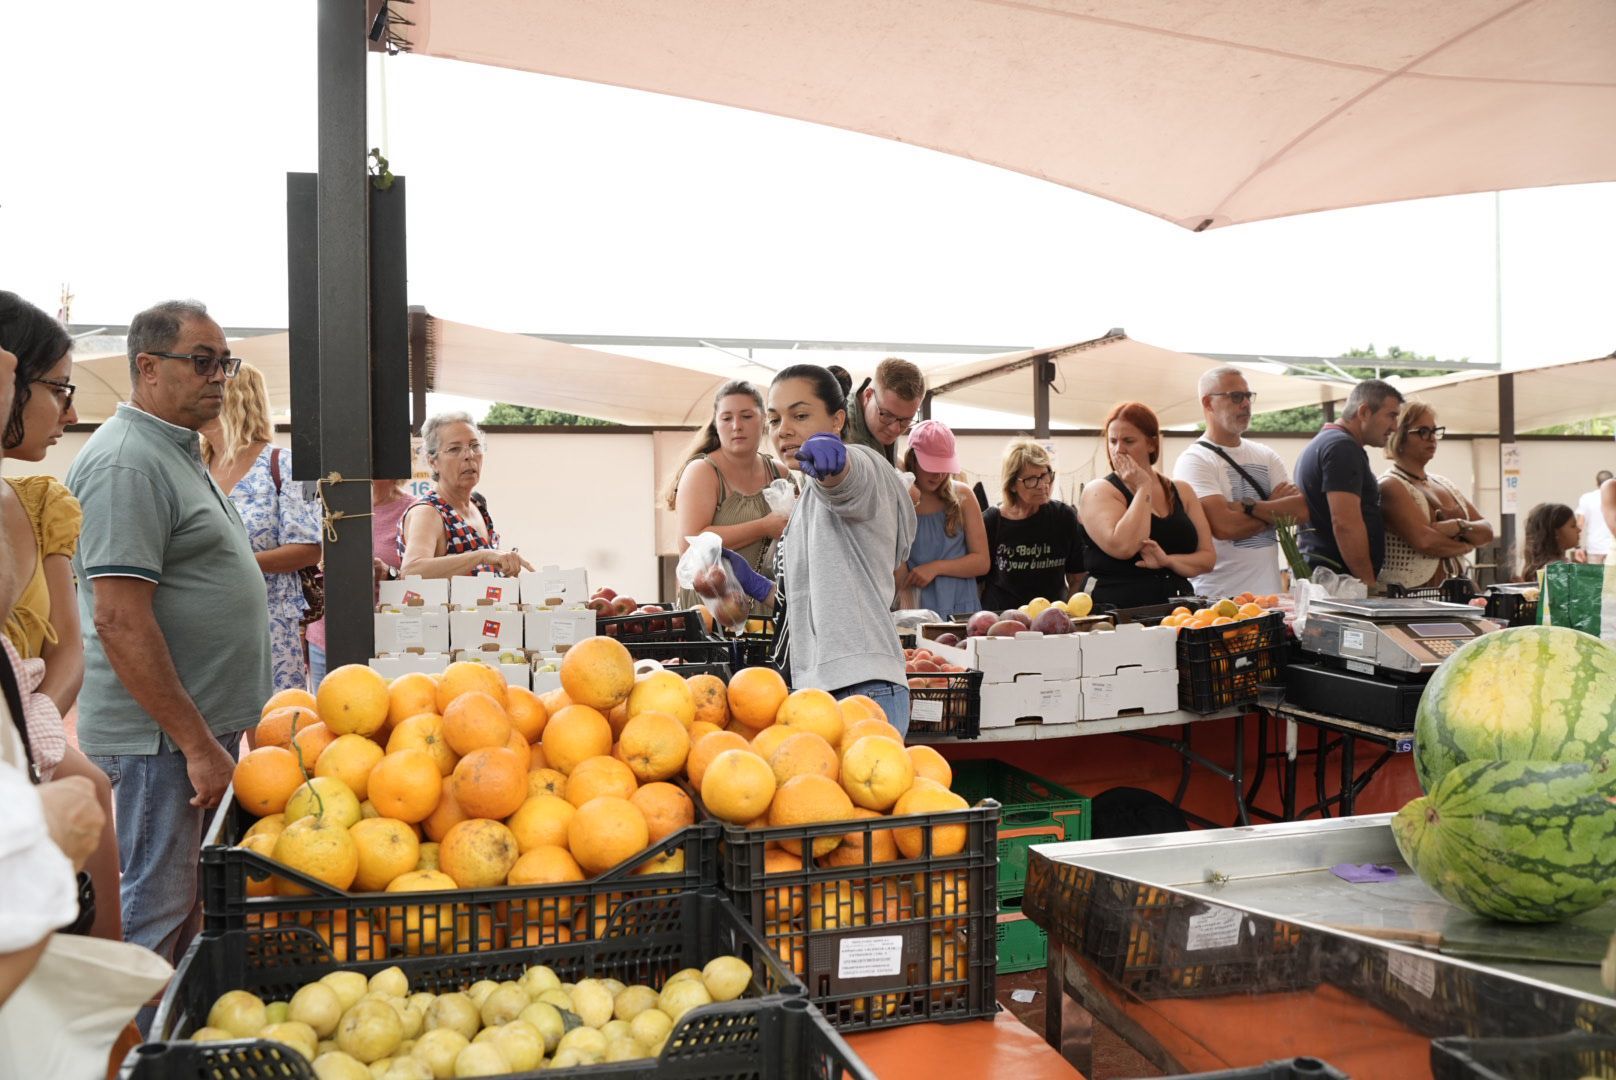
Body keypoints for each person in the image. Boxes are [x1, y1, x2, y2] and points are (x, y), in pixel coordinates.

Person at [67, 299, 272, 964]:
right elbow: (119, 619)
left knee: (184, 907)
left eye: (225, 363)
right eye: (202, 362)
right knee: (155, 910)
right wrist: (196, 744)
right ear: (148, 367)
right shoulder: (127, 462)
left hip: (187, 737)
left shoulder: (175, 449)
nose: (219, 378)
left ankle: (166, 1027)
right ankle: (130, 1032)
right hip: (160, 743)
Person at [0, 291, 122, 941]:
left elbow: (69, 648)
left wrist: (37, 733)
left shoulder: (42, 502)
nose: (70, 413)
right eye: (59, 388)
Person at [722, 365, 917, 732]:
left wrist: (838, 466)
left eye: (800, 415)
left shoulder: (864, 465)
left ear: (838, 419)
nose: (784, 430)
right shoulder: (804, 501)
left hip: (863, 689)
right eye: (775, 420)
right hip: (817, 690)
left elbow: (851, 484)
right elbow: (811, 599)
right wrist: (752, 583)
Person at [199, 362, 323, 692]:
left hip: (269, 623)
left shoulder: (288, 465)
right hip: (203, 621)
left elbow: (310, 548)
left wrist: (234, 565)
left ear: (233, 399)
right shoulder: (195, 467)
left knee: (274, 719)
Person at [1174, 366, 1309, 599]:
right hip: (1221, 601)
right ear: (1208, 403)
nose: (1246, 404)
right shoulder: (1195, 460)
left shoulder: (1266, 455)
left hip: (1270, 598)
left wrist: (1250, 506)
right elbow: (1225, 527)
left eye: (1248, 396)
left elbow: (1301, 510)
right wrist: (1273, 508)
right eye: (1236, 396)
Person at [664, 381, 791, 611]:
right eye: (726, 418)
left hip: (767, 610)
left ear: (764, 419)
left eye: (746, 416)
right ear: (716, 423)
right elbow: (691, 544)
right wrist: (764, 526)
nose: (736, 426)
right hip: (712, 612)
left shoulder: (780, 473)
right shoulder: (702, 471)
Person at [1080, 402, 1215, 608]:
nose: (1119, 450)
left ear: (1152, 444)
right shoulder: (1100, 490)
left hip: (1177, 609)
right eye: (1113, 441)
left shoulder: (1181, 490)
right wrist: (1143, 486)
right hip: (1117, 609)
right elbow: (1125, 546)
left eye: (1128, 441)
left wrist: (1168, 561)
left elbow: (1207, 559)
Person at [1294, 379, 1404, 586]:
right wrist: (1367, 582)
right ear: (1364, 412)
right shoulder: (1342, 447)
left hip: (1327, 580)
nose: (1395, 427)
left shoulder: (1325, 442)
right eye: (1391, 415)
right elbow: (1345, 523)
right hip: (1340, 585)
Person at [398, 412, 531, 579]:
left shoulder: (477, 503)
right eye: (454, 449)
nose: (469, 455)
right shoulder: (429, 511)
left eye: (475, 446)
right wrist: (482, 555)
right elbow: (411, 570)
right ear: (433, 462)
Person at [307, 479, 411, 688]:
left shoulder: (412, 511)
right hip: (323, 640)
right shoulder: (327, 504)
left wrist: (388, 573)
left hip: (383, 644)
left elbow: (420, 583)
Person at [1378, 402, 1494, 591]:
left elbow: (1487, 532)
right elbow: (1426, 542)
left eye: (1435, 431)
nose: (1432, 438)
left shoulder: (1444, 483)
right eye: (1423, 431)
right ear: (1398, 435)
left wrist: (1458, 526)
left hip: (1453, 592)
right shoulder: (1390, 485)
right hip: (1410, 596)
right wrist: (1466, 545)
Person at [979, 440, 1085, 610]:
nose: (1043, 485)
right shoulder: (991, 521)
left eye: (1045, 475)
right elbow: (979, 583)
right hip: (1003, 617)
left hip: (1051, 617)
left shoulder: (1064, 517)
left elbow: (1077, 578)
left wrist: (1070, 614)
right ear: (1012, 485)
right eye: (1031, 479)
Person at [900, 420, 989, 615]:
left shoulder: (963, 496)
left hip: (961, 608)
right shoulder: (901, 499)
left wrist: (935, 568)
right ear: (912, 459)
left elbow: (982, 562)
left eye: (944, 466)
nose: (939, 474)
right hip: (918, 610)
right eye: (931, 466)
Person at [839, 357, 925, 466]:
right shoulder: (843, 441)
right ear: (868, 395)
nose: (895, 429)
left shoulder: (886, 414)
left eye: (907, 420)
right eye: (888, 415)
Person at [1520, 503, 1586, 581]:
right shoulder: (1556, 570)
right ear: (1555, 532)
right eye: (1573, 526)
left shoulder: (1557, 566)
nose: (1579, 530)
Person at [1574, 470, 1613, 565]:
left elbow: (1579, 525)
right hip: (1613, 548)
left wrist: (1577, 547)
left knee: (1595, 574)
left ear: (1597, 483)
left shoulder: (1586, 498)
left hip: (1594, 548)